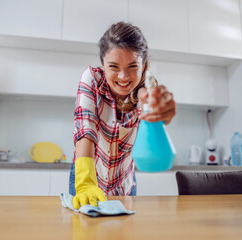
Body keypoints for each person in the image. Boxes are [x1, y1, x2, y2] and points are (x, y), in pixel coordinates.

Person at [69, 22, 176, 209]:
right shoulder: (92, 80)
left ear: (143, 65)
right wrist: (85, 183)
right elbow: (85, 130)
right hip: (86, 176)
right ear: (103, 64)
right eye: (114, 67)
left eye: (132, 66)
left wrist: (163, 113)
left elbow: (152, 112)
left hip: (125, 184)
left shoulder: (146, 93)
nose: (123, 76)